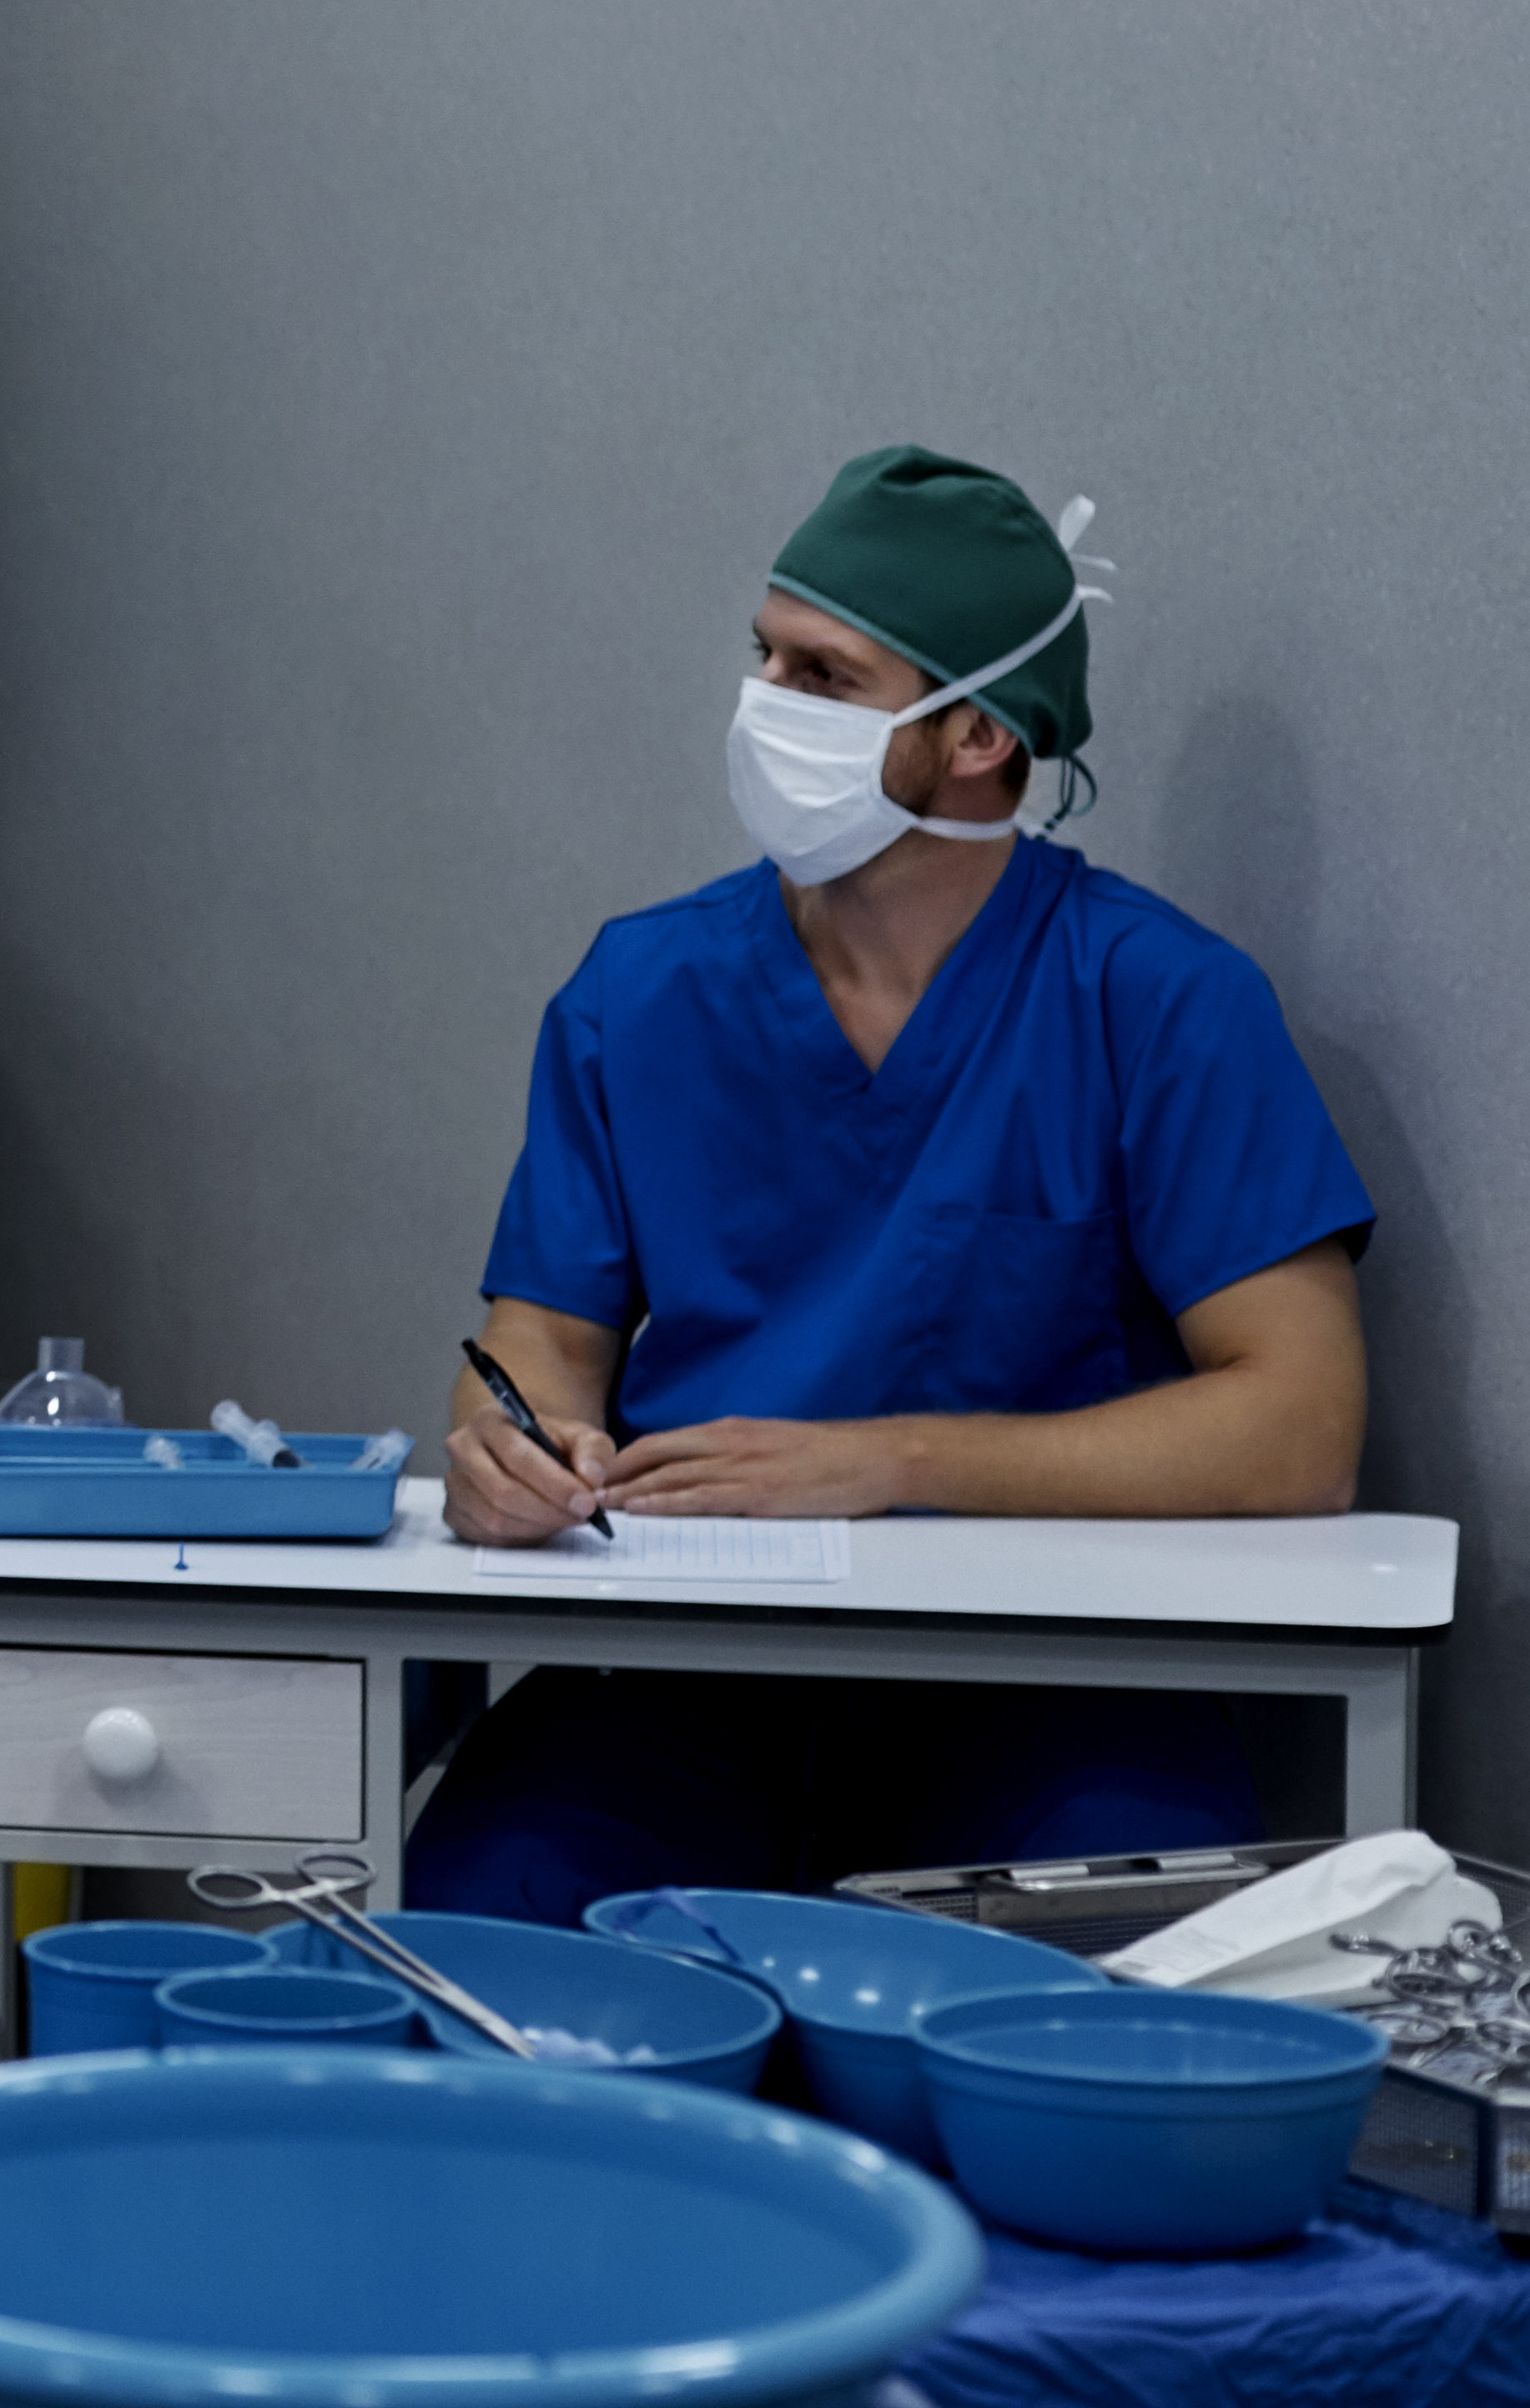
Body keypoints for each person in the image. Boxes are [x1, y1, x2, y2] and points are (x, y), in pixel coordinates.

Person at [415, 444, 1374, 1922]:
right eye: (764, 658)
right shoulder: (644, 991)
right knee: (488, 1935)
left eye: (821, 676)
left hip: (1054, 1679)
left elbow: (1302, 1426)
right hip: (681, 1675)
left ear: (979, 732)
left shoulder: (1158, 1001)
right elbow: (540, 1341)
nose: (762, 707)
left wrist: (893, 1465)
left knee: (1105, 1997)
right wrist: (504, 1443)